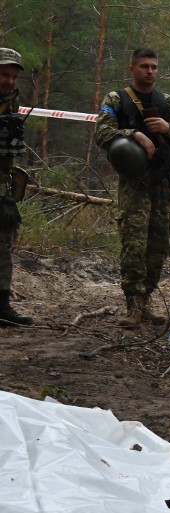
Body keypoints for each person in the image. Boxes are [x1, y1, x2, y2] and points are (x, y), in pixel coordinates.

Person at [95, 48, 170, 328]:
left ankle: (147, 300)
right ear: (133, 69)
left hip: (162, 183)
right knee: (134, 242)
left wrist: (167, 128)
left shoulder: (167, 102)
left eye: (153, 66)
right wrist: (132, 133)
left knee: (158, 242)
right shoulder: (117, 99)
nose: (149, 71)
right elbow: (101, 134)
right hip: (135, 184)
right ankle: (133, 306)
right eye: (144, 66)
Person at [0, 47, 31, 327]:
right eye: (4, 75)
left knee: (3, 243)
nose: (9, 81)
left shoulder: (12, 102)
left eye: (13, 76)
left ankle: (2, 305)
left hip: (2, 183)